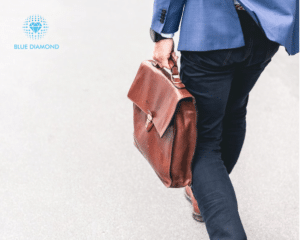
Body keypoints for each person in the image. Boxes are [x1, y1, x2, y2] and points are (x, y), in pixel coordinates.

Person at [149, 0, 299, 239]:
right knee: (234, 109)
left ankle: (215, 206)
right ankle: (206, 192)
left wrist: (163, 31)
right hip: (266, 29)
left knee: (202, 141)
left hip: (210, 26)